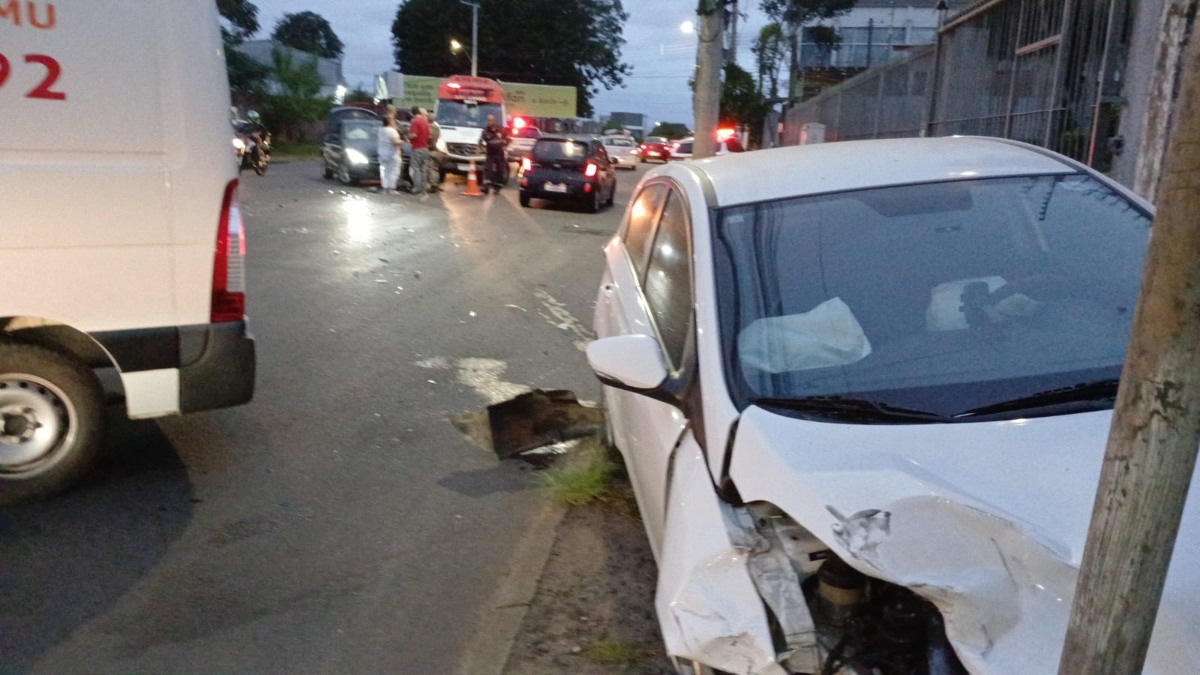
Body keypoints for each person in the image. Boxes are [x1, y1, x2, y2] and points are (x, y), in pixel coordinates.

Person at [377, 107, 403, 195]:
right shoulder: (392, 131)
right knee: (393, 171)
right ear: (390, 122)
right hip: (392, 154)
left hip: (382, 153)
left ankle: (384, 188)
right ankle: (391, 189)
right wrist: (403, 141)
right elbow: (396, 142)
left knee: (384, 171)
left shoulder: (381, 130)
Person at [480, 114, 508, 194]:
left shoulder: (500, 129)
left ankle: (497, 188)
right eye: (488, 120)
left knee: (499, 170)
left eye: (491, 120)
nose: (489, 122)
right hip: (490, 153)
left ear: (494, 121)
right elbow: (481, 141)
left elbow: (507, 139)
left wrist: (505, 144)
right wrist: (482, 148)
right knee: (488, 169)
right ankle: (486, 188)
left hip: (499, 154)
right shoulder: (485, 131)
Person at [408, 106, 430, 195]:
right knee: (423, 169)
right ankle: (423, 187)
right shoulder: (425, 121)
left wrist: (408, 137)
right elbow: (428, 135)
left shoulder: (415, 121)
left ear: (412, 113)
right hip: (425, 147)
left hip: (417, 147)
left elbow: (414, 135)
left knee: (416, 168)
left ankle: (417, 187)